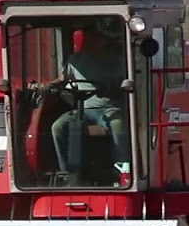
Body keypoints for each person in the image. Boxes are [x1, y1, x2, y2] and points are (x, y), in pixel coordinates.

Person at [49, 28, 131, 183]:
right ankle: (66, 172)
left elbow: (124, 82)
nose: (90, 42)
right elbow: (62, 78)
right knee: (58, 127)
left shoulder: (115, 61)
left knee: (118, 125)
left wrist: (112, 89)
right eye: (88, 39)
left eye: (95, 39)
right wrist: (47, 86)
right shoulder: (75, 60)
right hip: (83, 109)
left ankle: (122, 171)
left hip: (108, 109)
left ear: (103, 41)